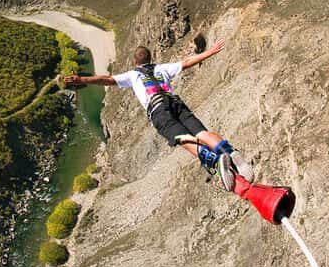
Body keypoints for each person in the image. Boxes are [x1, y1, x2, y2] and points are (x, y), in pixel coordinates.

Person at [64, 40, 253, 191]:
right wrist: (211, 51)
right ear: (150, 58)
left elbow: (107, 79)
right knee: (202, 133)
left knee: (183, 138)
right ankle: (231, 153)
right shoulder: (161, 68)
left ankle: (215, 162)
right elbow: (187, 62)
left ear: (135, 62)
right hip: (176, 102)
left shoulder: (132, 75)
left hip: (158, 110)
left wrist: (82, 79)